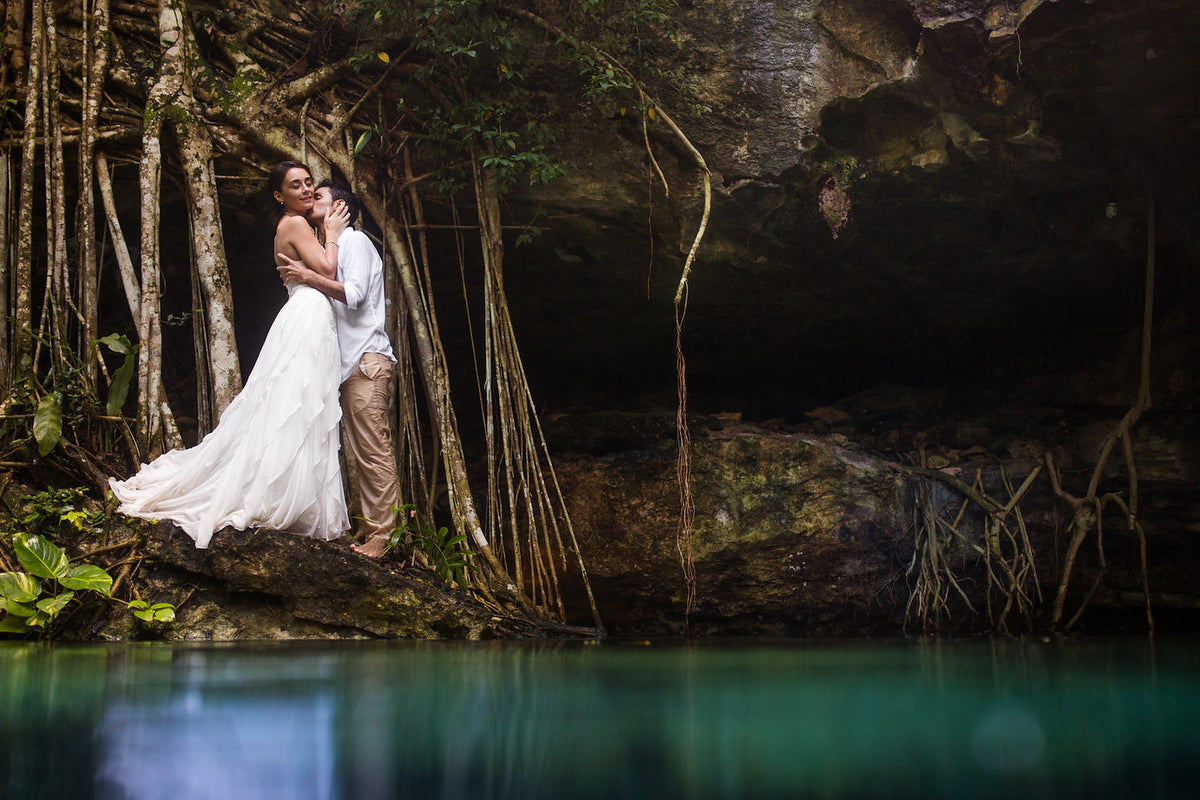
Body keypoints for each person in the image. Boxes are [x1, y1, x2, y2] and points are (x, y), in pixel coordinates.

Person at [109, 161, 351, 548]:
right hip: (306, 315)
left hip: (310, 315)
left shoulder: (296, 225)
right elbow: (327, 267)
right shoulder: (295, 224)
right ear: (279, 196)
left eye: (309, 183)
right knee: (294, 402)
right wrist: (333, 232)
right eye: (295, 185)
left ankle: (290, 493)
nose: (306, 190)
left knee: (303, 403)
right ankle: (272, 493)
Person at [276, 180, 400, 559]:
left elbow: (356, 294)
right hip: (350, 367)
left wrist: (307, 277)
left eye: (319, 196)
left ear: (339, 208)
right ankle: (370, 527)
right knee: (362, 450)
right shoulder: (331, 248)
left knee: (372, 449)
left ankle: (383, 537)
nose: (311, 199)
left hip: (366, 361)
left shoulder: (356, 242)